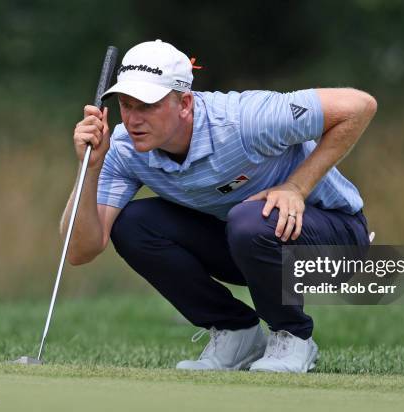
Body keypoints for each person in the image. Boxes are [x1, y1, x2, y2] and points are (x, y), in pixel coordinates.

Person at [62, 39, 376, 373]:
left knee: (249, 220)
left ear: (184, 103)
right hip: (252, 247)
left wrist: (296, 187)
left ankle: (293, 338)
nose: (134, 118)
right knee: (134, 223)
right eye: (126, 104)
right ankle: (236, 333)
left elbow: (359, 106)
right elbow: (80, 250)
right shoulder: (123, 150)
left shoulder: (247, 121)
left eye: (147, 105)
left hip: (337, 246)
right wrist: (91, 167)